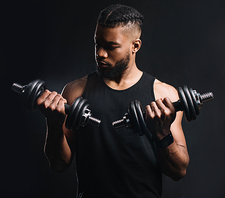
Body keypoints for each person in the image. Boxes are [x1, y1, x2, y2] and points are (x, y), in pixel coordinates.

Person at [36, 4, 189, 197]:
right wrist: (54, 124)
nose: (100, 53)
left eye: (110, 47)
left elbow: (178, 171)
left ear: (135, 46)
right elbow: (59, 164)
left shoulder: (164, 95)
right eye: (97, 44)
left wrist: (162, 134)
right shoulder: (76, 91)